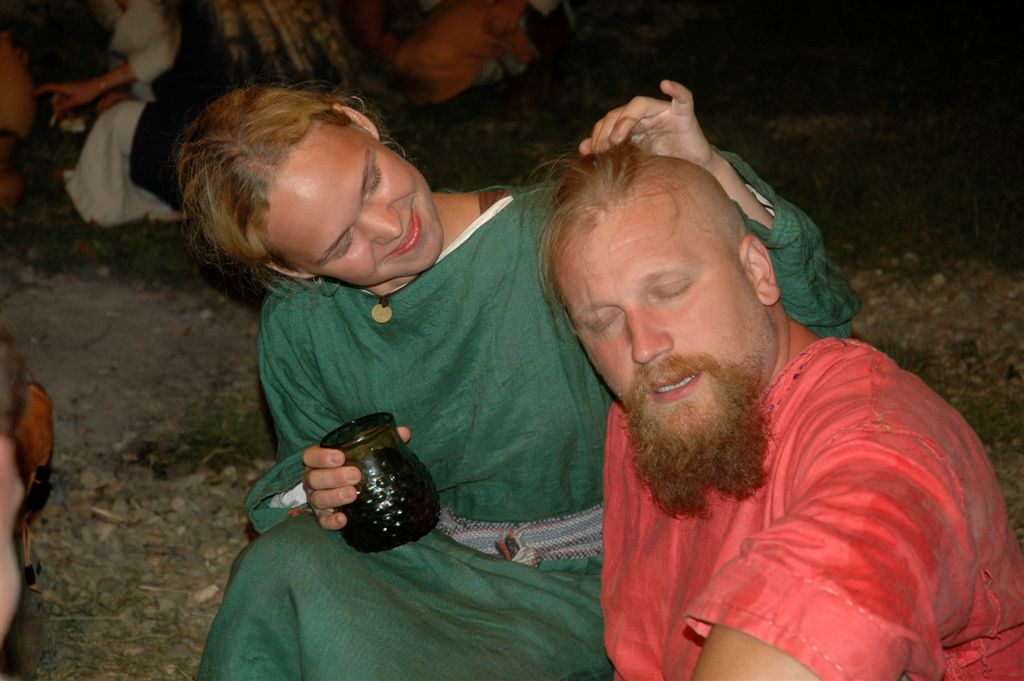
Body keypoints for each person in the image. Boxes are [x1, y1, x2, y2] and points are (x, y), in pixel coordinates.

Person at [176, 79, 859, 678]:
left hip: (598, 577)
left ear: (358, 123)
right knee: (277, 568)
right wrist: (323, 489)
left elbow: (813, 322)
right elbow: (301, 472)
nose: (387, 225)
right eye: (340, 242)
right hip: (432, 568)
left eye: (370, 182)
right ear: (293, 268)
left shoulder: (548, 233)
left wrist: (711, 171)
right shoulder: (303, 323)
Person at [538, 140, 1024, 679]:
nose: (644, 345)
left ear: (758, 271)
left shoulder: (882, 439)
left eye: (670, 291)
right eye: (603, 321)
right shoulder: (658, 407)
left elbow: (837, 579)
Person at [35, 0, 353, 226]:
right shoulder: (285, 12)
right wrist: (107, 87)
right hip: (311, 148)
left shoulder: (206, 13)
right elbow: (183, 64)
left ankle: (104, 210)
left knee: (115, 122)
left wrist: (133, 104)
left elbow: (193, 103)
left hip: (242, 170)